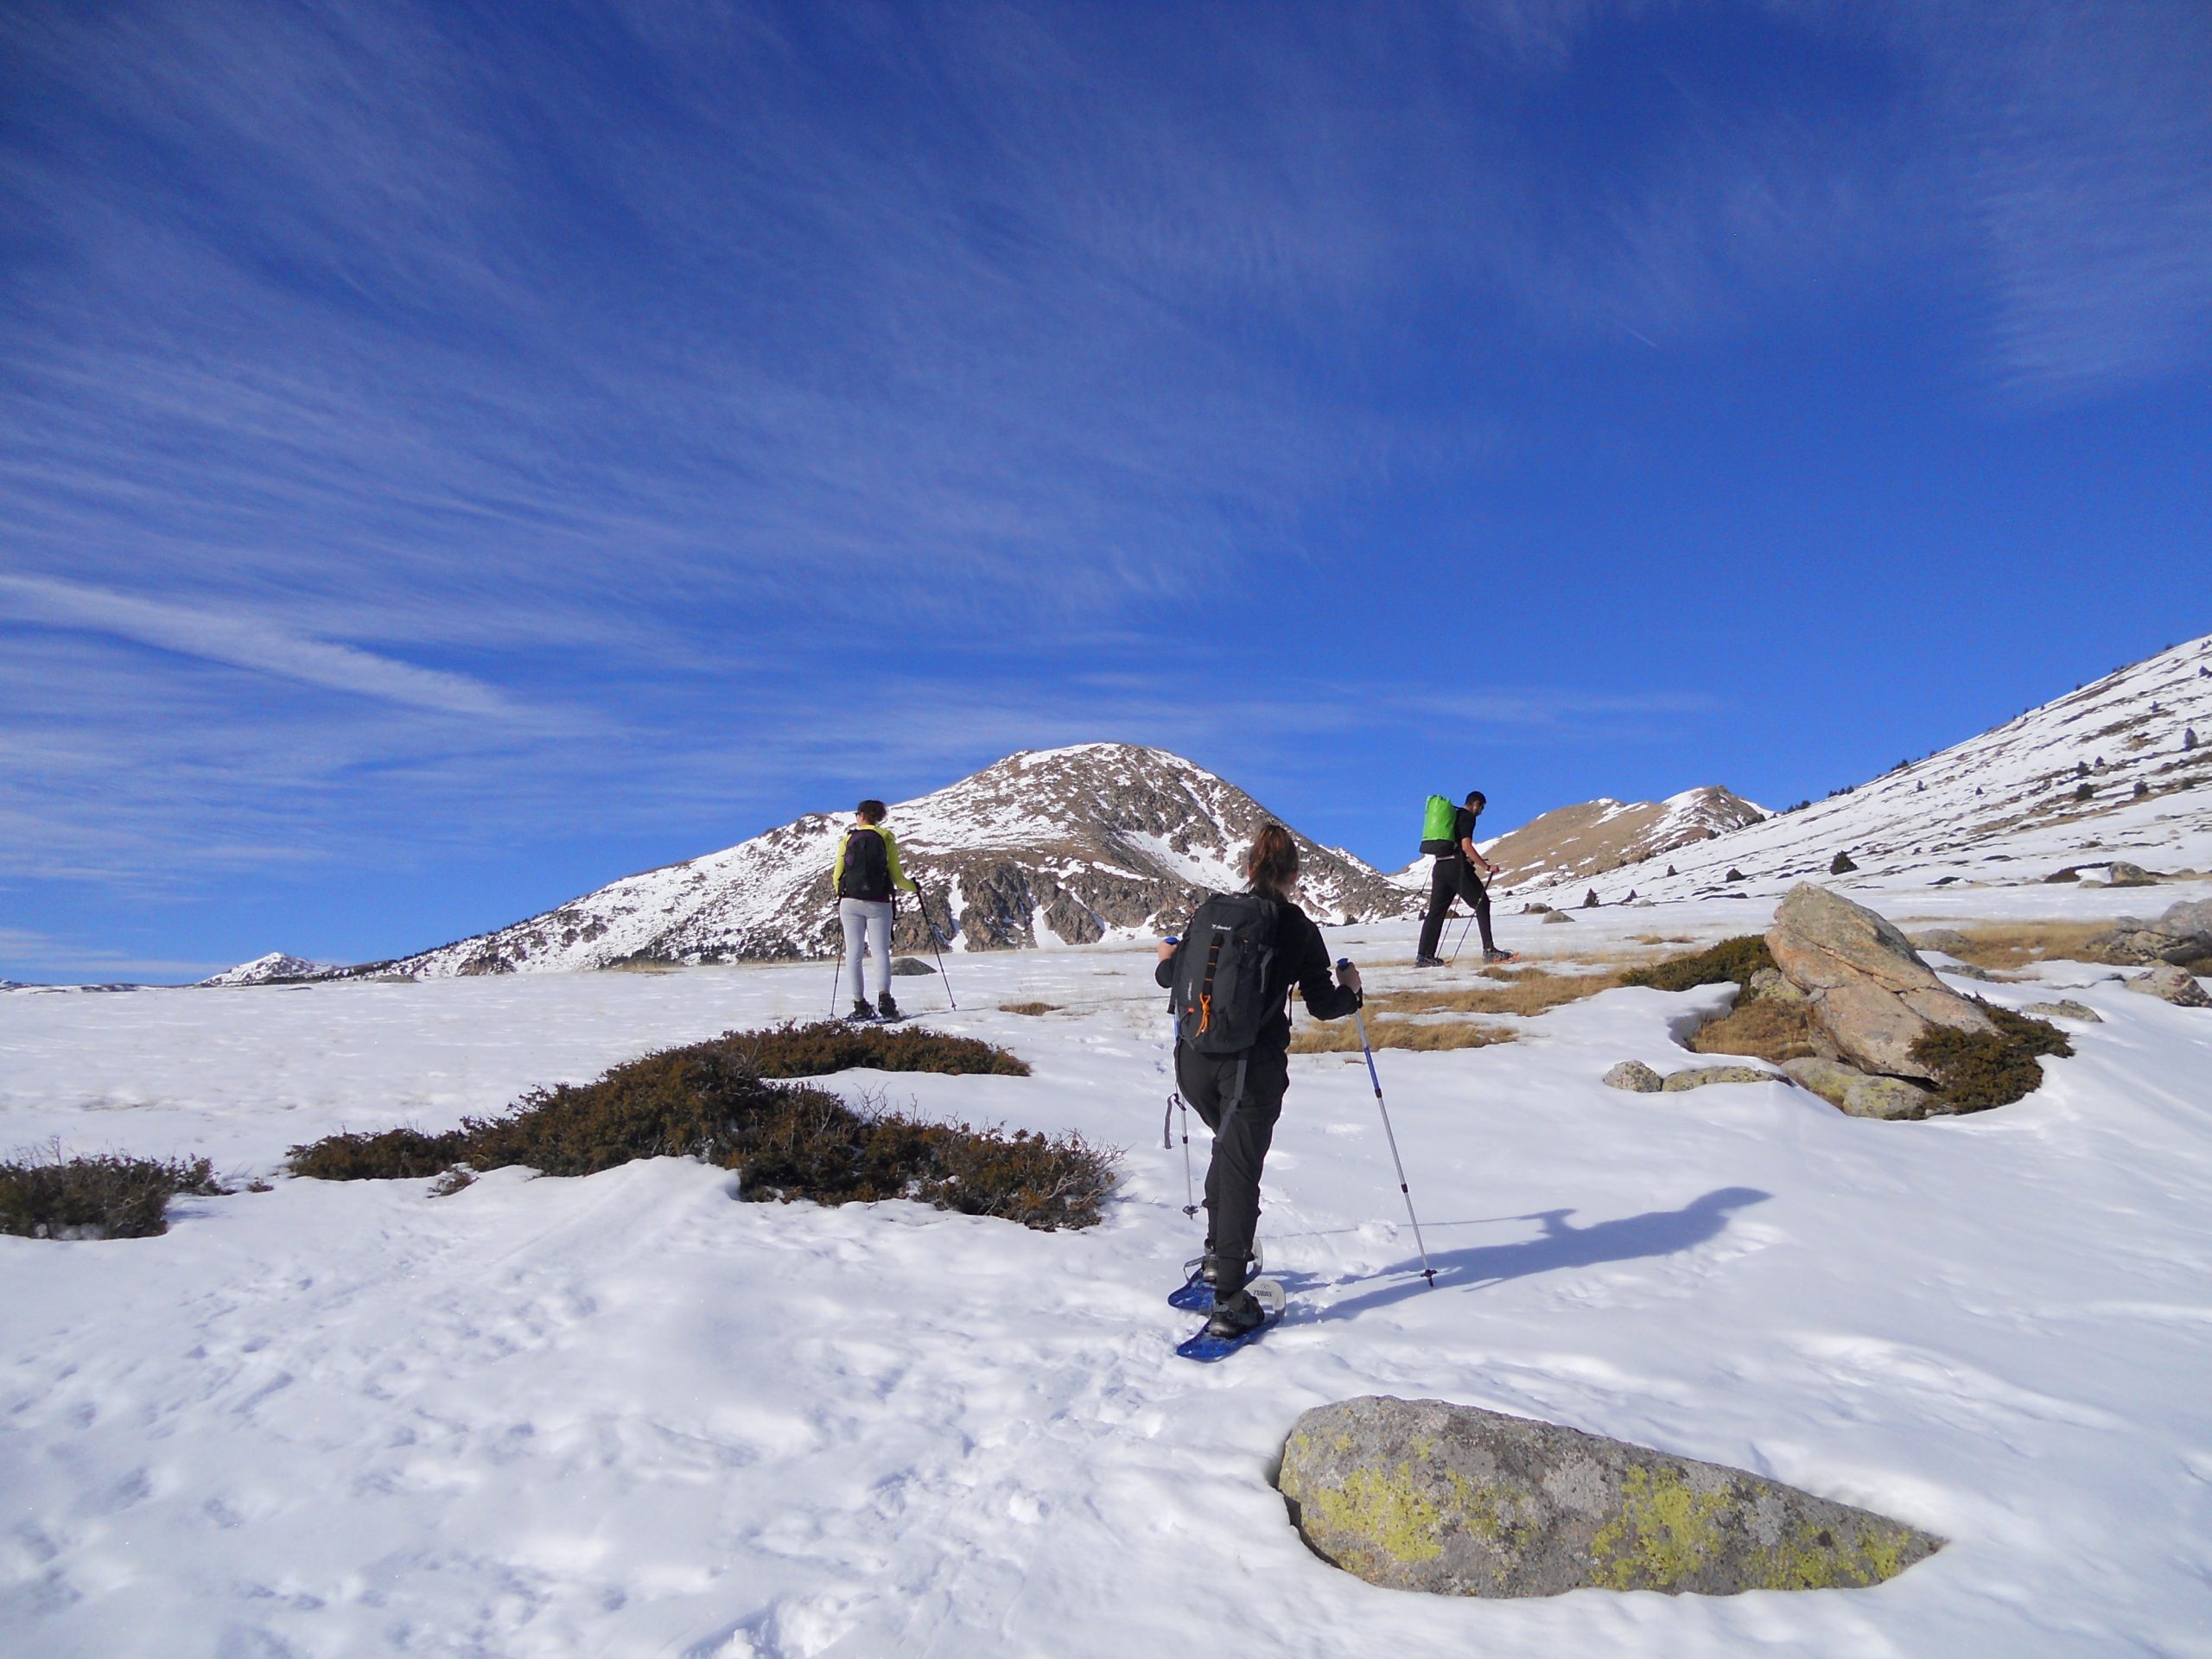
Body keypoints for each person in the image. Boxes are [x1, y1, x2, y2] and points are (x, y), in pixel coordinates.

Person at [1155, 823, 1363, 1341]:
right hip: (1251, 1067)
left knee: (1227, 1152)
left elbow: (1169, 977)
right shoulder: (1295, 927)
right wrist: (1352, 991)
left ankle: (1214, 1259)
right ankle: (1229, 1302)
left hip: (1193, 1061)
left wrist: (1166, 960)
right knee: (1240, 1166)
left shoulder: (1210, 912)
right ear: (1293, 875)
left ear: (1248, 869)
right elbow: (1324, 1004)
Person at [834, 798, 919, 1020]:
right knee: (880, 951)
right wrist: (913, 887)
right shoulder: (886, 838)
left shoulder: (849, 839)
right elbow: (897, 877)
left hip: (850, 902)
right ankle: (885, 1000)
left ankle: (860, 1005)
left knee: (854, 953)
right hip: (879, 901)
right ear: (879, 817)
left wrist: (839, 892)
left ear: (861, 816)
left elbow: (837, 875)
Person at [1416, 790, 1514, 966]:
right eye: (1482, 808)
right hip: (1456, 868)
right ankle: (1489, 951)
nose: (1481, 812)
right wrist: (1486, 867)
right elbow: (1466, 845)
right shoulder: (1468, 817)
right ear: (1475, 804)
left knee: (1436, 912)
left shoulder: (1453, 816)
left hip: (1440, 867)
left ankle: (1423, 956)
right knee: (1482, 902)